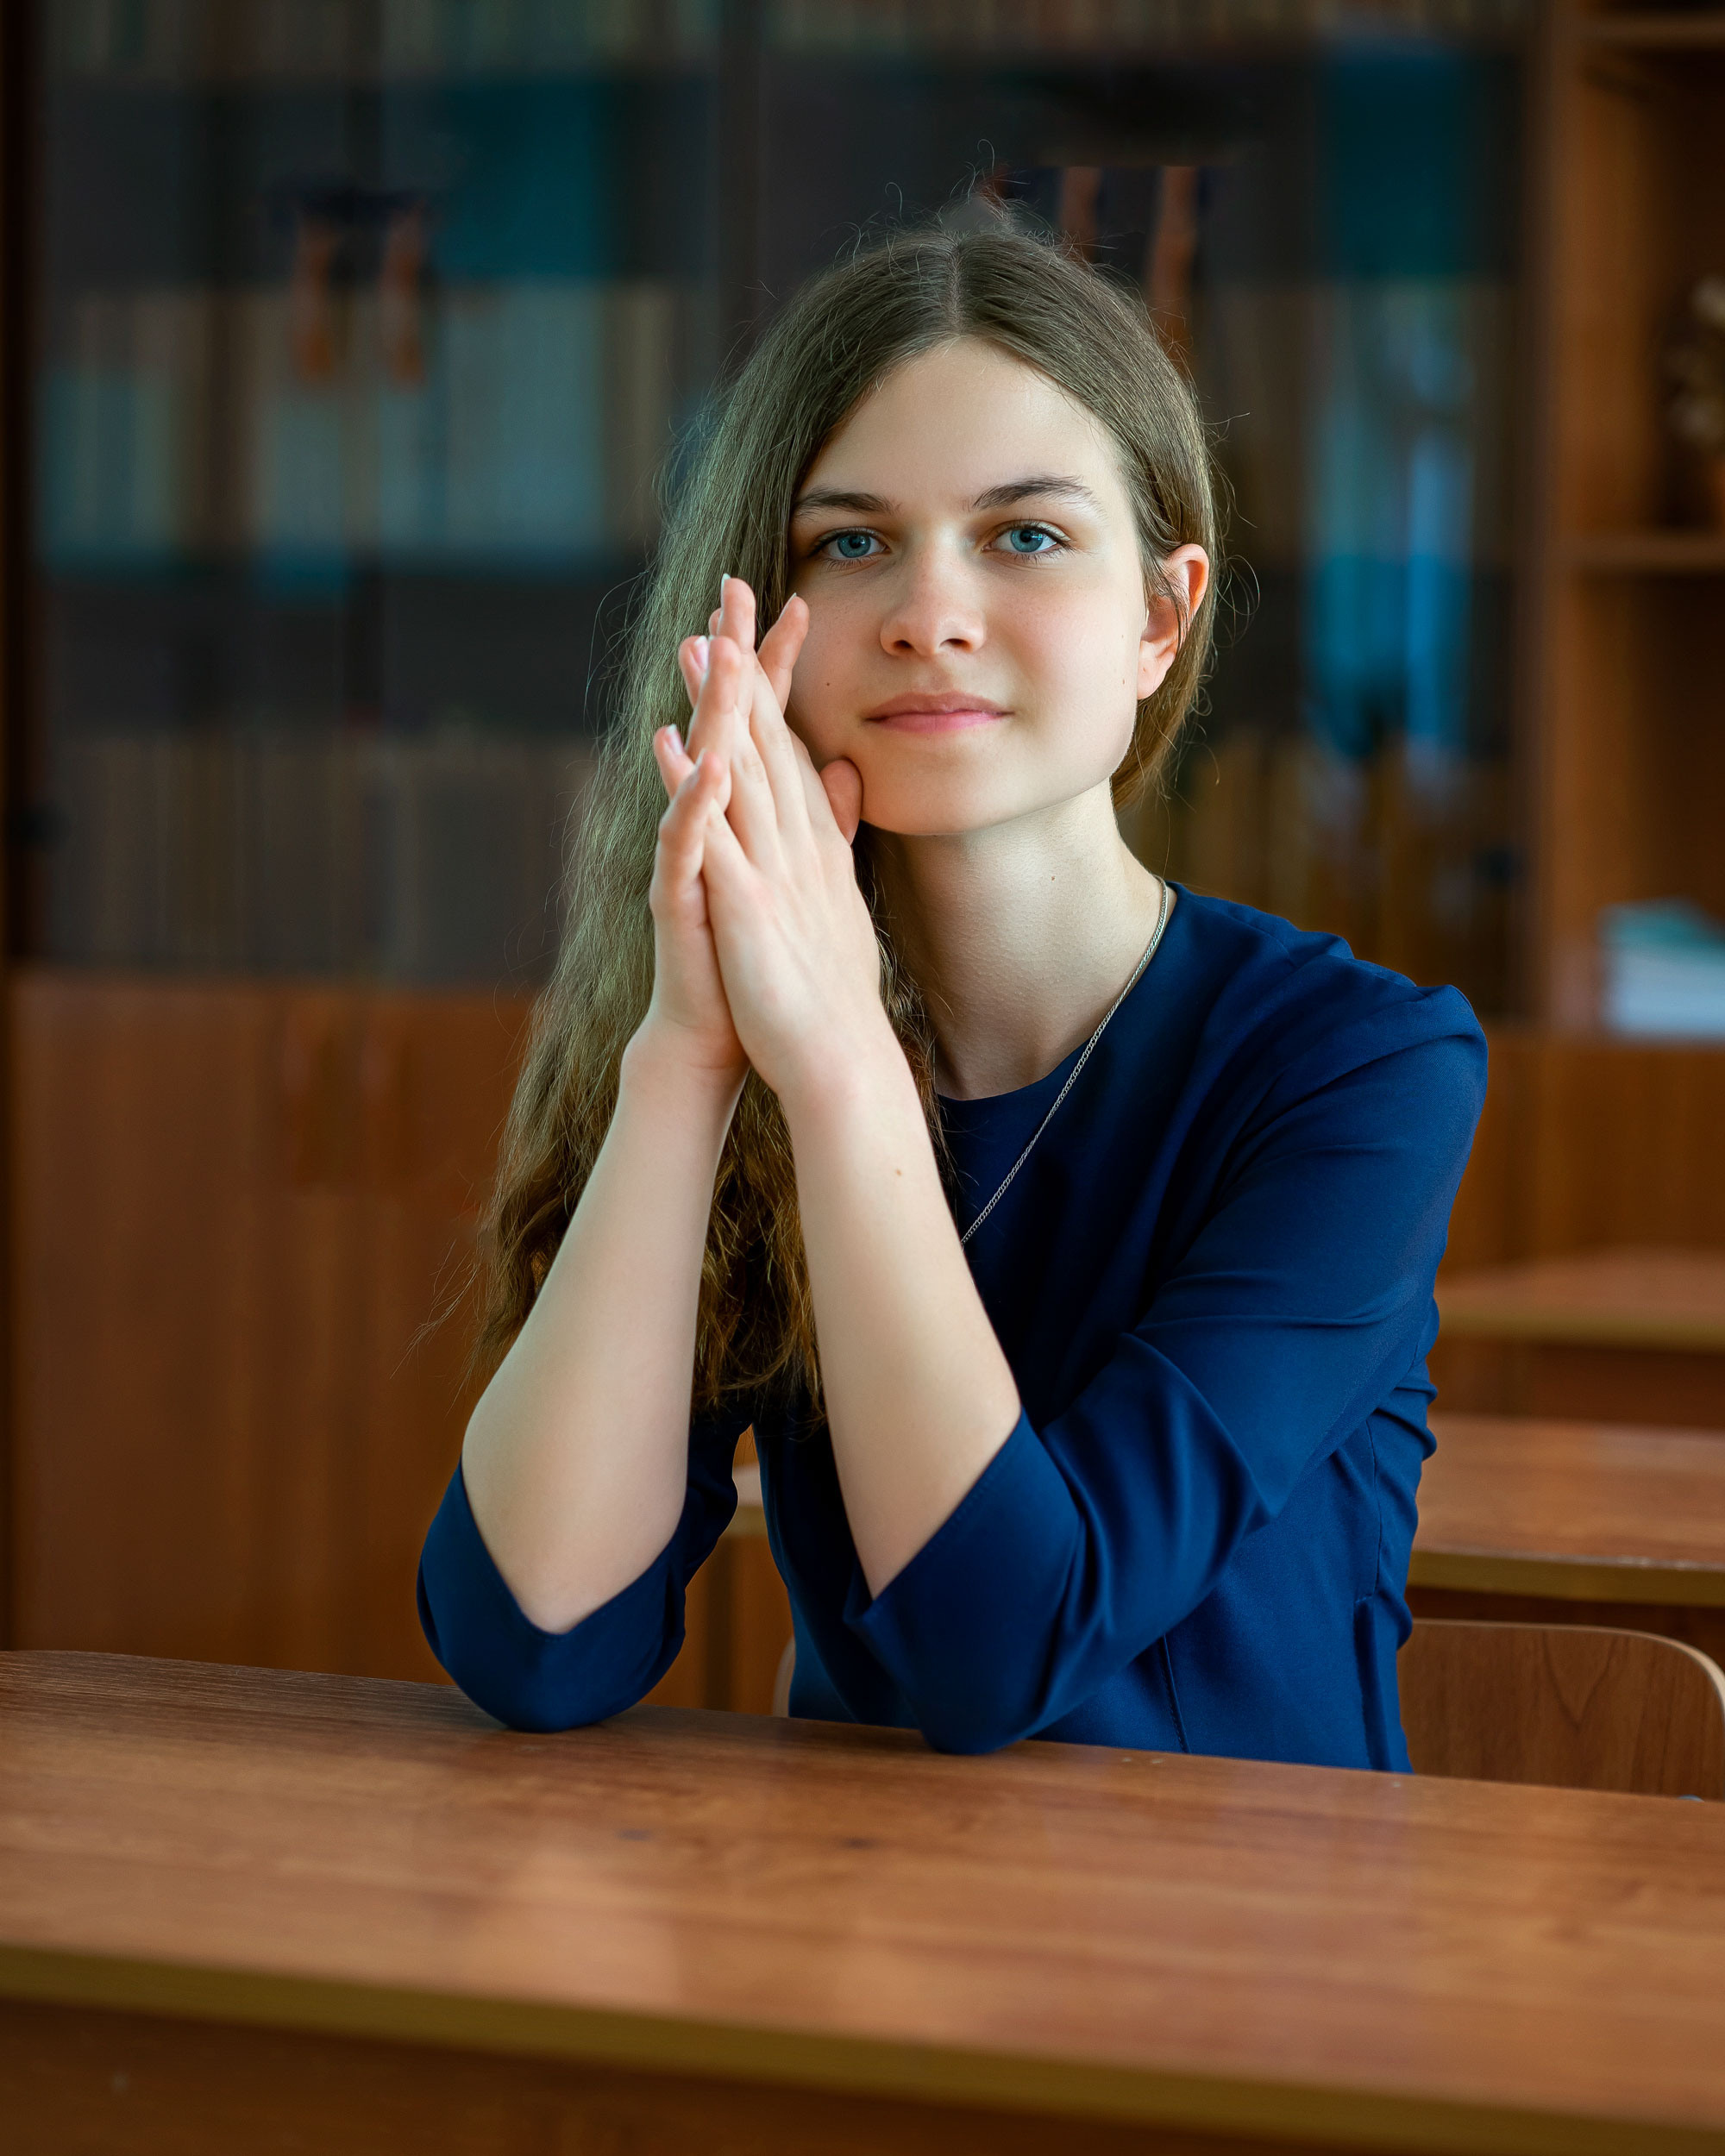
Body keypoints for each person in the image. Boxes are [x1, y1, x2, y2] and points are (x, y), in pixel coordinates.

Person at [417, 220, 1486, 1766]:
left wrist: (839, 1063)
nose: (931, 613)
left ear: (1161, 617)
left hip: (1253, 1909)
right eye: (850, 545)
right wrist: (687, 1058)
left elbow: (1007, 1647)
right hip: (855, 1902)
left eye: (1026, 537)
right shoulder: (732, 1037)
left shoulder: (1357, 1066)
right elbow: (536, 1647)